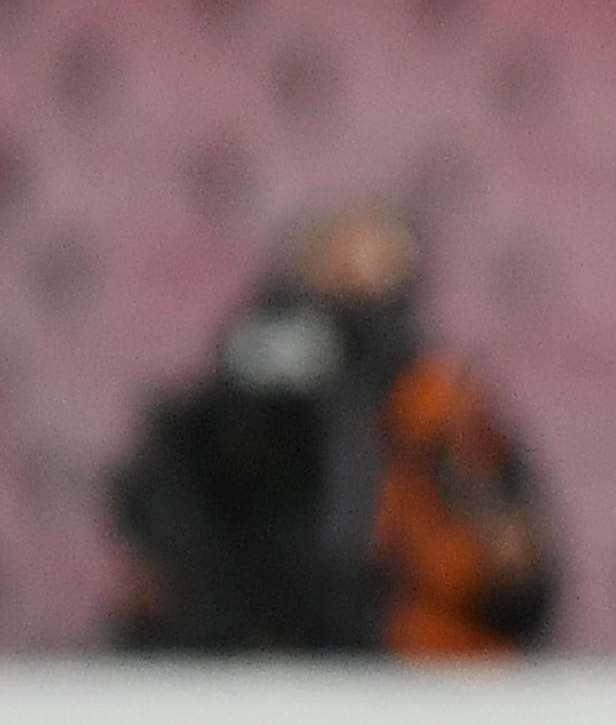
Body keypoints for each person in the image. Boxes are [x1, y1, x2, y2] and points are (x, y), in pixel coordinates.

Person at [107, 201, 556, 655]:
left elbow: (516, 567)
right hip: (237, 639)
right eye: (336, 257)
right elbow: (168, 501)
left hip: (391, 643)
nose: (353, 272)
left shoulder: (438, 402)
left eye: (370, 258)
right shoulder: (239, 390)